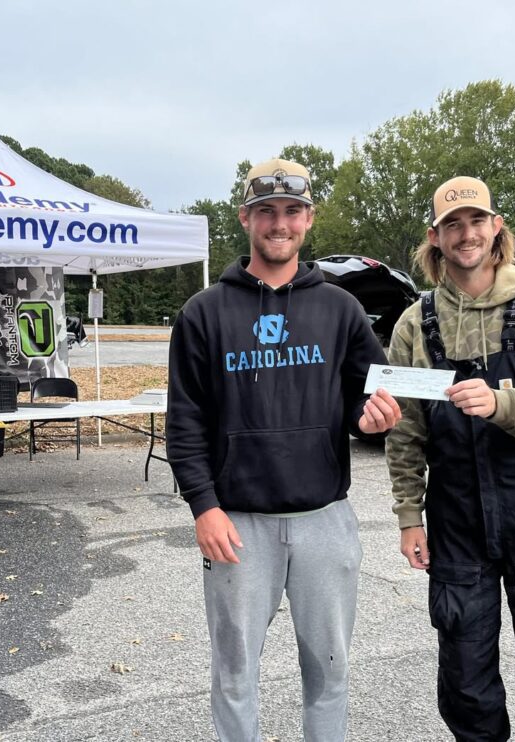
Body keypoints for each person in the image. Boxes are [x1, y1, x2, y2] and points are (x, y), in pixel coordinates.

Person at [166, 158, 401, 742]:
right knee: (236, 673)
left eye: (292, 212)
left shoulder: (340, 309)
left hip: (325, 519)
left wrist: (375, 420)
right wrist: (204, 506)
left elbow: (366, 398)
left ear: (308, 219)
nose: (280, 224)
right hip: (237, 524)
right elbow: (185, 421)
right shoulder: (204, 313)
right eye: (267, 211)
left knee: (329, 669)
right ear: (246, 218)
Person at [385, 176, 515, 741]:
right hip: (456, 522)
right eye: (452, 224)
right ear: (435, 237)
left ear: (496, 226)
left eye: (476, 221)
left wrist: (502, 403)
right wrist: (410, 517)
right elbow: (406, 431)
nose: (466, 233)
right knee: (466, 679)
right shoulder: (416, 323)